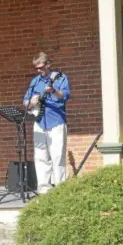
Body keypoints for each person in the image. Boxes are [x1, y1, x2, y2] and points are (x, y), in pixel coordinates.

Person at [23, 52, 71, 194]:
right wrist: (30, 102)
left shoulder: (60, 78)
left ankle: (61, 189)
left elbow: (65, 96)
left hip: (56, 121)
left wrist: (54, 90)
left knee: (57, 156)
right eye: (36, 68)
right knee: (40, 156)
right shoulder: (35, 82)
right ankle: (44, 189)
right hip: (39, 121)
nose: (39, 71)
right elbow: (25, 101)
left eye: (41, 67)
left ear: (48, 64)